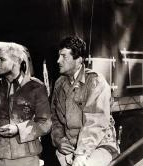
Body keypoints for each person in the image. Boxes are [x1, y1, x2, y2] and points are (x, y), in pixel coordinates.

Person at [51, 36, 120, 166]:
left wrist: (81, 153)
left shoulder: (95, 81)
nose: (58, 61)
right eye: (59, 56)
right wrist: (59, 140)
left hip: (99, 145)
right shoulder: (59, 84)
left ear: (79, 60)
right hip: (72, 145)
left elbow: (95, 121)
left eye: (64, 56)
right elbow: (55, 118)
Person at [0, 43, 52, 166]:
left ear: (17, 61)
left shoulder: (36, 87)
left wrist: (18, 129)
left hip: (25, 156)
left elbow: (45, 123)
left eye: (2, 59)